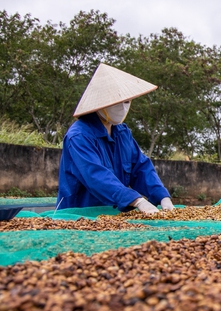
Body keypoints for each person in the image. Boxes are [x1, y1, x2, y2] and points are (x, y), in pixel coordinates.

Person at [57, 63, 175, 215]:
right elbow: (96, 175)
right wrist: (136, 200)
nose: (123, 107)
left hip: (115, 215)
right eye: (116, 102)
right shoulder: (79, 136)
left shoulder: (122, 133)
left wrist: (162, 196)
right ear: (100, 104)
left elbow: (140, 167)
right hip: (80, 216)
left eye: (126, 101)